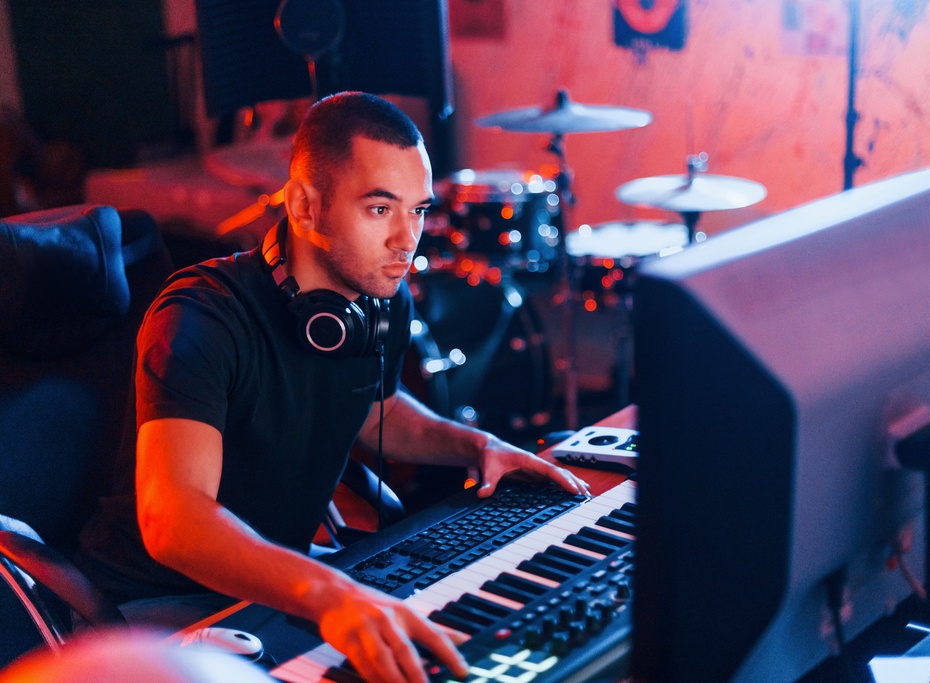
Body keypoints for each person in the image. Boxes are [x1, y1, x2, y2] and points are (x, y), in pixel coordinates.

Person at [76, 92, 590, 683]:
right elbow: (175, 521)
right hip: (157, 606)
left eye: (418, 211)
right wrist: (331, 593)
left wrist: (478, 446)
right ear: (305, 206)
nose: (407, 239)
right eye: (380, 209)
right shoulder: (201, 316)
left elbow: (377, 409)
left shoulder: (379, 300)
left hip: (281, 582)